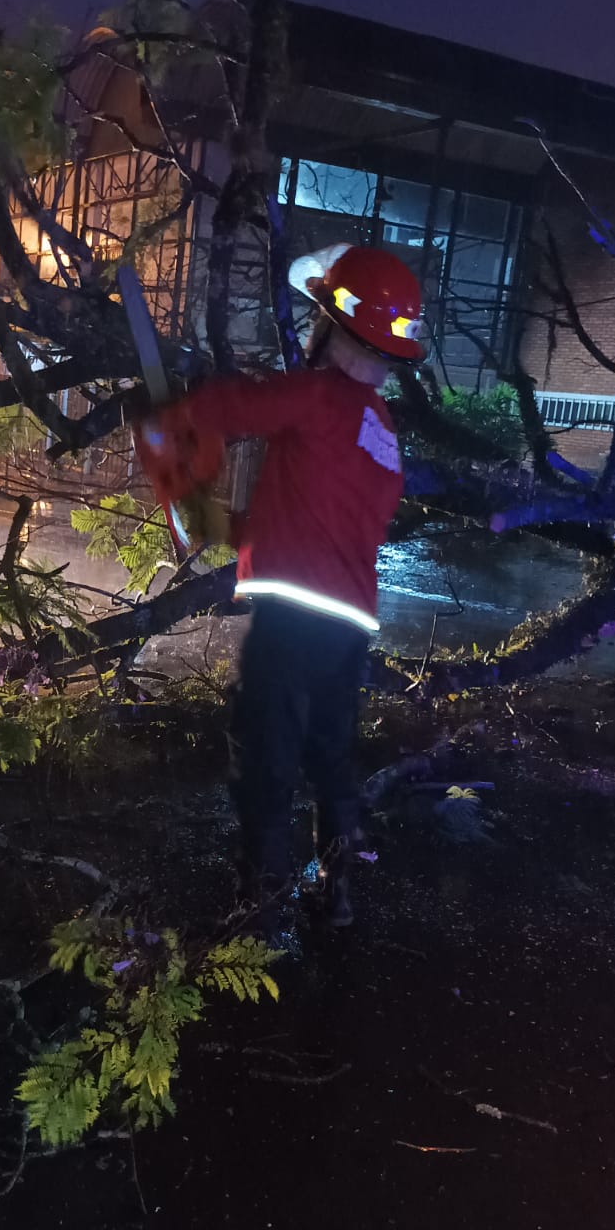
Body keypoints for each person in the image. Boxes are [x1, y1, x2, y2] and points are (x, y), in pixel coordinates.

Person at [152, 244, 422, 933]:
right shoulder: (384, 434)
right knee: (330, 749)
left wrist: (173, 421)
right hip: (350, 622)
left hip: (294, 613)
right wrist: (235, 525)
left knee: (266, 745)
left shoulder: (317, 394)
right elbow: (316, 509)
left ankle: (260, 902)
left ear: (333, 327)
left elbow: (234, 405)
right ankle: (337, 886)